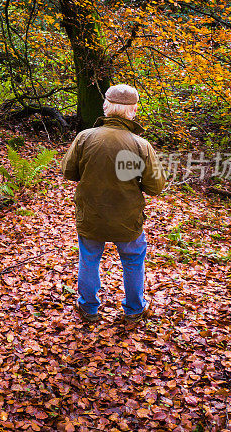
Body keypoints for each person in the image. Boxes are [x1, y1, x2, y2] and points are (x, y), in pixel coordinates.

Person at [60, 84, 166, 323]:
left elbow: (69, 171)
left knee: (88, 259)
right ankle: (134, 310)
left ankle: (88, 309)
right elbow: (156, 187)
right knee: (132, 261)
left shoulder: (85, 137)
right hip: (127, 220)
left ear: (106, 106)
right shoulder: (140, 145)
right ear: (133, 111)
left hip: (91, 215)